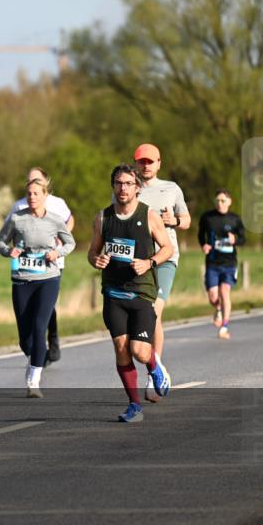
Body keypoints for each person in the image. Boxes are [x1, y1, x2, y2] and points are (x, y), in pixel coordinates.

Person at [88, 164, 174, 423]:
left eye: (127, 183)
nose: (122, 188)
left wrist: (149, 263)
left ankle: (154, 366)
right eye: (118, 183)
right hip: (113, 292)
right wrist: (97, 260)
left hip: (141, 292)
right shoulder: (103, 217)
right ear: (113, 186)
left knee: (140, 351)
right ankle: (134, 405)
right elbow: (92, 251)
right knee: (121, 349)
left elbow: (167, 248)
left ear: (137, 187)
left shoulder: (148, 215)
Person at [0, 178, 75, 398]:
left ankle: (34, 380)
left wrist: (56, 253)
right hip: (22, 279)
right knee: (25, 337)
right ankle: (36, 357)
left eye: (36, 194)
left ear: (44, 195)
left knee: (40, 327)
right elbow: (0, 242)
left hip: (48, 278)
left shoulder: (55, 220)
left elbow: (70, 243)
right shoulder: (16, 219)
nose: (32, 197)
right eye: (29, 193)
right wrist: (7, 251)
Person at [133, 143, 190, 401]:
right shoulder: (127, 188)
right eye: (141, 162)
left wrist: (174, 221)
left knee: (153, 312)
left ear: (159, 163)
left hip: (166, 257)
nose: (146, 166)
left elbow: (186, 220)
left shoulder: (171, 188)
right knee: (144, 317)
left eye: (150, 161)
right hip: (137, 261)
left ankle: (152, 373)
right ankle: (155, 366)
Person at [7, 167, 74, 364]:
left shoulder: (57, 203)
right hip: (26, 265)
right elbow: (9, 232)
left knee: (46, 304)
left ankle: (51, 338)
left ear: (46, 183)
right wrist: (15, 248)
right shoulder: (19, 206)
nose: (33, 183)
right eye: (29, 181)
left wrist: (59, 241)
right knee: (31, 308)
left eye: (37, 180)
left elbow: (70, 222)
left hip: (52, 261)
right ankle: (36, 346)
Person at [198, 189, 246, 340]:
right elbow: (201, 234)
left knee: (224, 291)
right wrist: (204, 245)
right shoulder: (207, 217)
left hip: (229, 263)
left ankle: (224, 326)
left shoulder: (235, 219)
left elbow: (243, 238)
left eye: (223, 200)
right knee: (213, 297)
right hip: (212, 262)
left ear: (229, 202)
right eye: (217, 200)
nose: (220, 203)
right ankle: (218, 308)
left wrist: (235, 241)